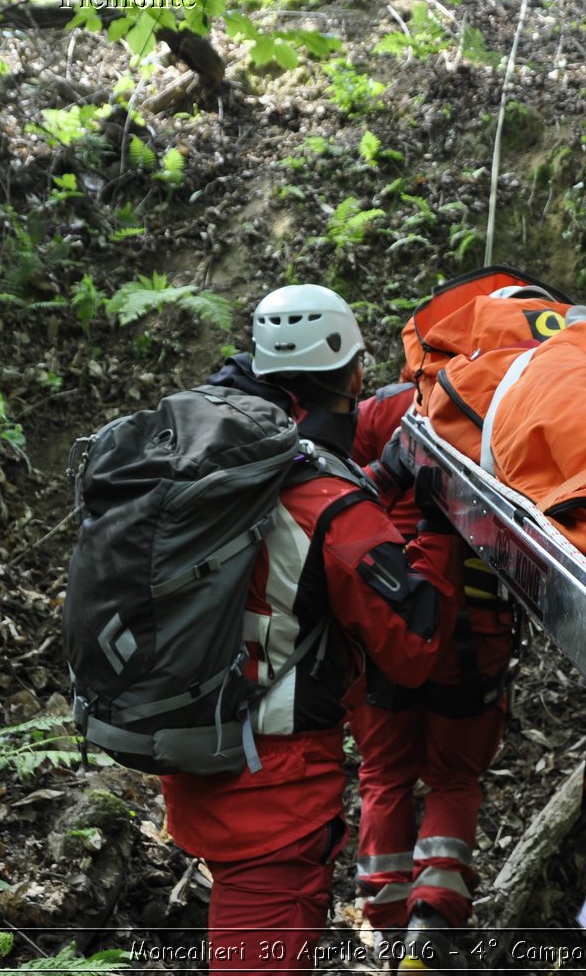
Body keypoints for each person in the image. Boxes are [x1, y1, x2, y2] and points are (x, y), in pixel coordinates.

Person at [157, 284, 458, 973]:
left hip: (197, 741)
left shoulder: (219, 460)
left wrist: (373, 483)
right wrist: (438, 527)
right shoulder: (332, 506)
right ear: (355, 374)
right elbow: (411, 648)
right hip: (272, 789)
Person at [348, 392, 516, 970]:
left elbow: (348, 496)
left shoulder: (377, 412)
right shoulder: (502, 406)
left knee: (385, 773)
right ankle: (432, 922)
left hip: (385, 620)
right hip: (474, 628)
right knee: (453, 777)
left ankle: (390, 928)